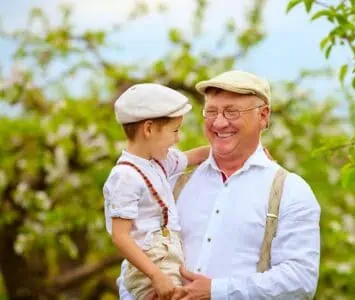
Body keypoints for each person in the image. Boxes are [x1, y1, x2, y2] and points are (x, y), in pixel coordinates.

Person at [119, 70, 321, 299]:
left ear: (263, 116)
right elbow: (133, 265)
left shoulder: (290, 191)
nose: (219, 122)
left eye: (232, 112)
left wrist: (217, 291)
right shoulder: (172, 183)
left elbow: (300, 281)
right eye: (211, 111)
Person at [103, 83, 209, 300]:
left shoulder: (159, 161)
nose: (178, 139)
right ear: (149, 129)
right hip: (151, 263)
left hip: (168, 256)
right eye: (175, 131)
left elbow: (196, 156)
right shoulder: (125, 176)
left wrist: (246, 152)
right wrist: (155, 275)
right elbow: (120, 236)